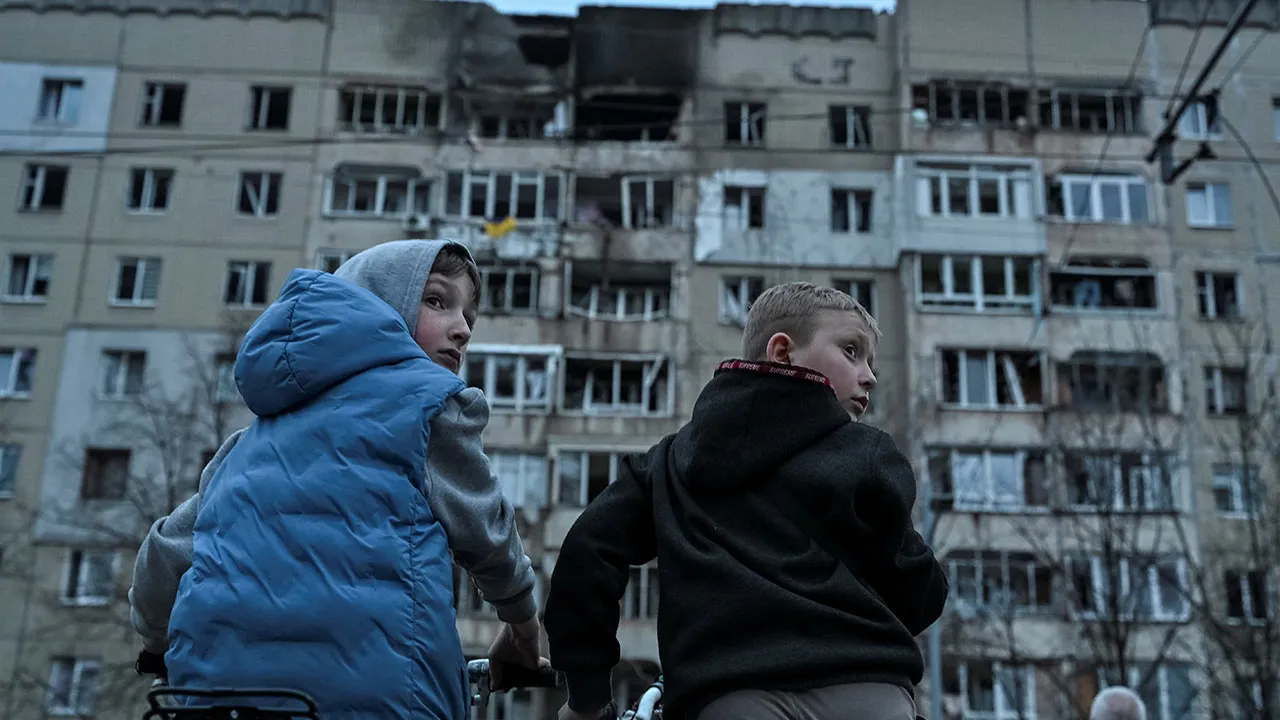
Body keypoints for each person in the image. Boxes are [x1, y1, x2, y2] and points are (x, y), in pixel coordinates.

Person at [128, 239, 544, 719]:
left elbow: (163, 557)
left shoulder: (248, 445)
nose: (462, 329)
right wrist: (522, 626)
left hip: (219, 702)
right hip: (385, 702)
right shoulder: (428, 409)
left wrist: (160, 646)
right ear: (373, 307)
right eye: (436, 301)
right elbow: (487, 531)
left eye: (468, 316)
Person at [544, 282, 949, 720]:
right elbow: (918, 591)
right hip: (866, 692)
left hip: (729, 696)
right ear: (782, 352)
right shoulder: (867, 452)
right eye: (852, 351)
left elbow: (587, 550)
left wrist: (586, 697)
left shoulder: (668, 465)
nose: (869, 374)